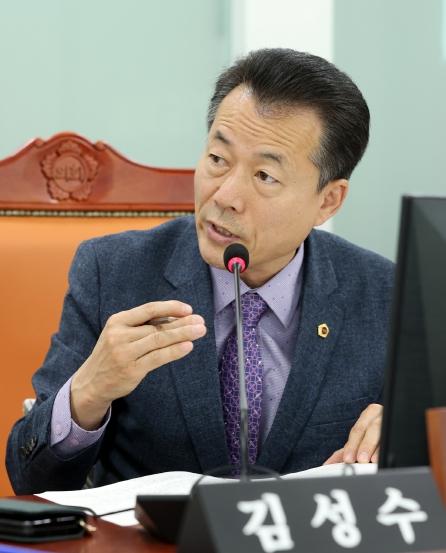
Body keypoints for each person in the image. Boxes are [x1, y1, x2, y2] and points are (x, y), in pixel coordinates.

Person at [6, 49, 394, 494]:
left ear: (328, 201)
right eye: (217, 159)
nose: (225, 195)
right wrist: (88, 394)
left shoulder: (386, 296)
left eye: (265, 176)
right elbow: (28, 477)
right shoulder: (113, 272)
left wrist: (410, 438)